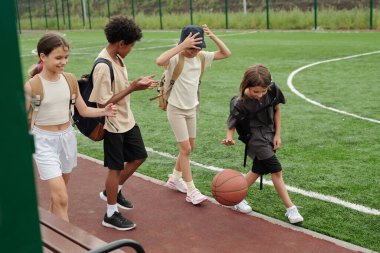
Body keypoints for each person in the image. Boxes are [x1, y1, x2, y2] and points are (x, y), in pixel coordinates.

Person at [24, 33, 117, 222]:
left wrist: (103, 111)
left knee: (58, 197)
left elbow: (82, 110)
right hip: (43, 142)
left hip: (67, 139)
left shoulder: (70, 79)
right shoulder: (32, 85)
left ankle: (53, 231)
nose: (63, 62)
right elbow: (20, 119)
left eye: (66, 57)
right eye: (58, 57)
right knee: (62, 198)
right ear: (43, 56)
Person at [89, 16, 157, 231]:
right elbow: (102, 102)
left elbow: (117, 86)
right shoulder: (103, 65)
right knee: (115, 168)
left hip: (126, 119)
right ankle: (110, 214)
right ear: (121, 43)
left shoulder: (118, 58)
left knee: (139, 156)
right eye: (131, 45)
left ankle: (112, 191)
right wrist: (131, 89)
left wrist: (137, 84)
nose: (131, 49)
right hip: (112, 124)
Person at [156, 25, 231, 205]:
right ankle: (191, 190)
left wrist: (213, 37)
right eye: (191, 47)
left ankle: (175, 178)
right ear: (183, 44)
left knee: (190, 147)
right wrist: (182, 46)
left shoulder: (202, 57)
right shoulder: (175, 58)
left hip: (192, 108)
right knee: (186, 149)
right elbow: (160, 61)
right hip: (175, 109)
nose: (194, 51)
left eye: (197, 47)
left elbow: (226, 53)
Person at [221, 64, 304, 224]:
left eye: (263, 91)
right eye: (255, 91)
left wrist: (277, 135)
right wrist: (229, 137)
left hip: (270, 133)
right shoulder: (240, 102)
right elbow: (231, 122)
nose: (259, 95)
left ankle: (235, 198)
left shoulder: (273, 90)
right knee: (276, 170)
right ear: (246, 85)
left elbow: (277, 110)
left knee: (258, 169)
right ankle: (291, 209)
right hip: (255, 138)